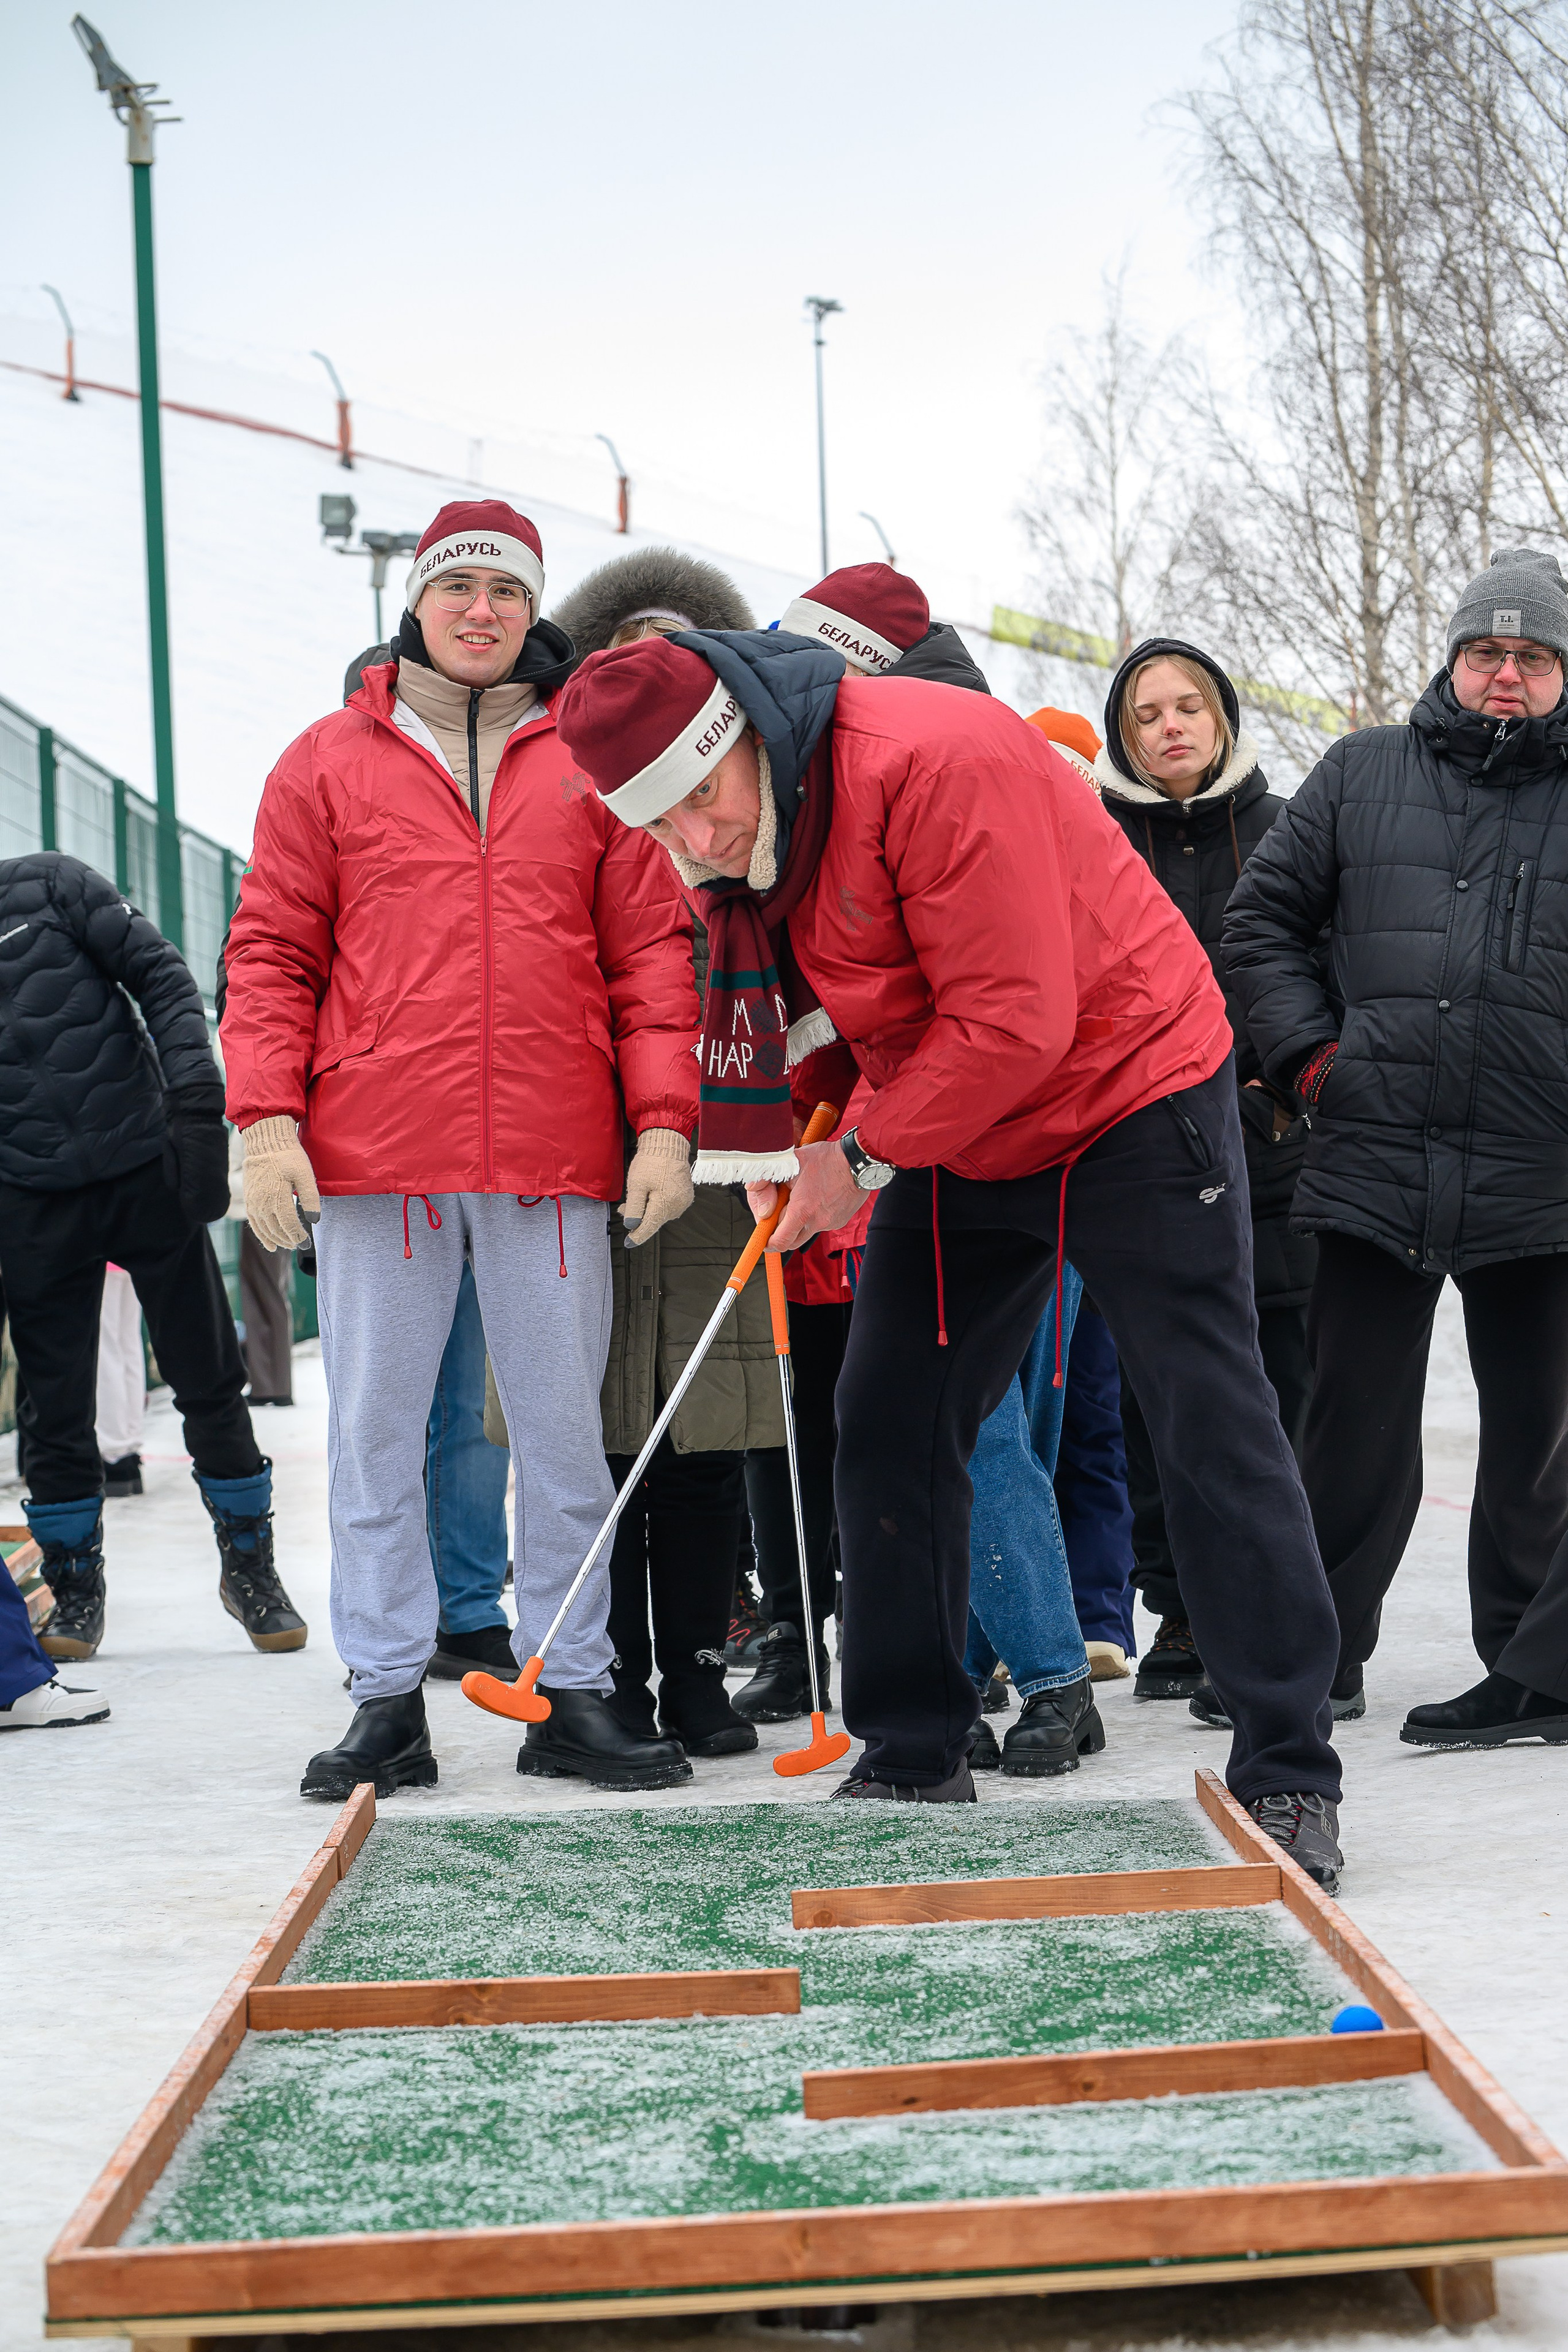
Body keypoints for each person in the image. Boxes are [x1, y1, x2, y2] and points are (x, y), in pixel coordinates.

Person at [556, 622, 1346, 1886]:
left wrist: (856, 1158)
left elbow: (1016, 1020)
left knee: (1202, 1412)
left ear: (744, 737)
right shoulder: (725, 842)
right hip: (955, 1115)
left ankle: (1287, 1769)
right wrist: (807, 1123)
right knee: (887, 1409)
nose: (693, 840)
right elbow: (810, 1010)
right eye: (656, 824)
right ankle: (914, 1742)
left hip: (1125, 1083)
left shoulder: (937, 759)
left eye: (701, 797)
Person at [222, 500, 701, 1799]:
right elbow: (270, 950)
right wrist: (265, 1120)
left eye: (503, 589)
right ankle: (386, 1696)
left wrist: (662, 1121)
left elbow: (652, 954)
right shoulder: (328, 760)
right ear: (418, 604)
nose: (480, 610)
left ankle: (570, 1687)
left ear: (531, 605)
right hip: (383, 1157)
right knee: (375, 1434)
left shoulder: (590, 762)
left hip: (551, 1152)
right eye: (458, 588)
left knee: (560, 1435)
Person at [1224, 549, 1568, 1750]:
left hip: (1540, 1170)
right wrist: (1311, 1061)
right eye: (1486, 653)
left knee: (1534, 1432)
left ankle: (1530, 1671)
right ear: (1452, 660)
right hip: (1374, 1151)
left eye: (1530, 657)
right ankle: (1317, 1656)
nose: (1505, 676)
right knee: (1348, 1425)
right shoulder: (1361, 769)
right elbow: (1259, 921)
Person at [769, 565, 1107, 1773]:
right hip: (895, 1155)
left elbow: (986, 1003)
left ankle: (1058, 1676)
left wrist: (860, 1134)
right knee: (913, 1433)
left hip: (1001, 1145)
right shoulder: (824, 788)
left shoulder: (942, 765)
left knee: (987, 1433)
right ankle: (948, 1686)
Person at [551, 548, 780, 1757]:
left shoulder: (730, 796)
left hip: (711, 1131)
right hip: (579, 1145)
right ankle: (609, 1675)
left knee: (700, 1417)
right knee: (588, 1423)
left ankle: (697, 1663)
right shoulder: (559, 796)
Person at [0, 851, 306, 1665]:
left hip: (142, 1163)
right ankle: (74, 1587)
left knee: (208, 1378)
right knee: (55, 1407)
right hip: (32, 1196)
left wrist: (197, 1116)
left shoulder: (51, 885)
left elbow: (163, 979)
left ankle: (251, 1568)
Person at [1096, 642, 1319, 1716]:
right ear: (1123, 734)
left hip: (1275, 1155)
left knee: (1284, 1384)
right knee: (1161, 1402)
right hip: (1144, 1156)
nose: (1172, 726)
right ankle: (1181, 1610)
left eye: (1190, 706)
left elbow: (1322, 970)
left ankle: (1296, 1612)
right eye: (1149, 714)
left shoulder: (1286, 832)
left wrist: (1285, 1094)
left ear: (1223, 718)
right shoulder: (1095, 839)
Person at [96, 1263, 146, 1494]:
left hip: (99, 1253)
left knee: (105, 1350)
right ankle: (129, 1449)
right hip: (133, 1253)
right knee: (129, 1346)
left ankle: (112, 1452)